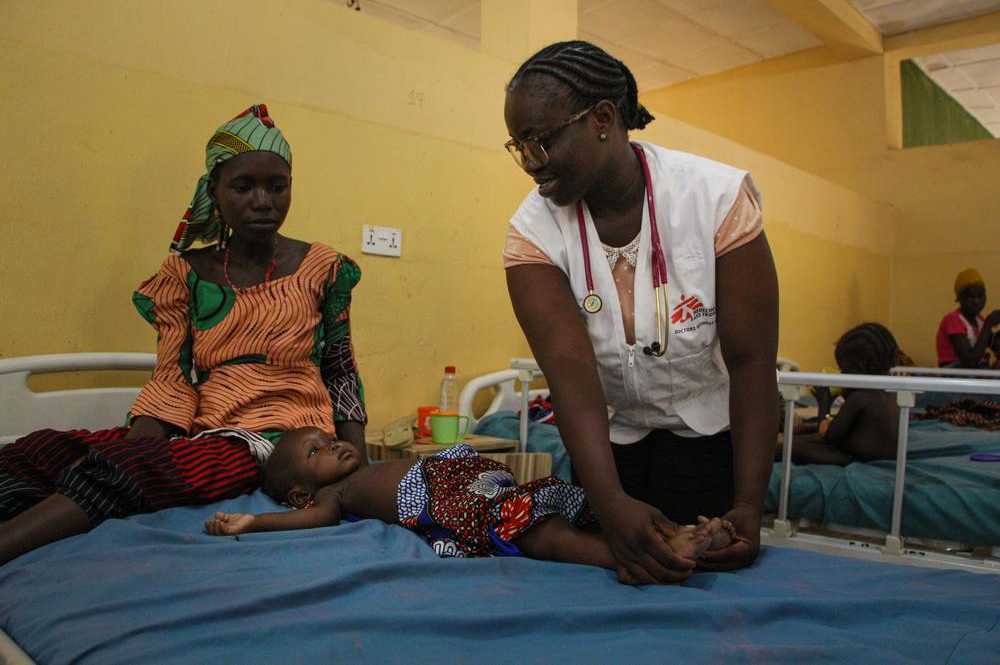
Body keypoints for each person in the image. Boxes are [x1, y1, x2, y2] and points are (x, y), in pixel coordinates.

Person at [0, 105, 367, 565]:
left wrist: (362, 469)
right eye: (243, 186)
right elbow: (172, 377)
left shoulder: (323, 268)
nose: (262, 200)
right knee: (42, 448)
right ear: (214, 189)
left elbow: (340, 370)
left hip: (284, 444)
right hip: (209, 431)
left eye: (277, 186)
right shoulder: (185, 272)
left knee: (123, 469)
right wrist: (134, 446)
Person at [501, 41, 778, 584]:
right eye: (519, 146)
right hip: (606, 449)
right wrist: (608, 503)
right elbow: (571, 378)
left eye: (541, 141)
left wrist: (749, 503)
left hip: (709, 439)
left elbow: (751, 364)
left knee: (703, 586)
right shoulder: (532, 232)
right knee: (613, 591)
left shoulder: (715, 198)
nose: (530, 163)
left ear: (603, 118)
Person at [205, 427, 737, 580]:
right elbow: (312, 521)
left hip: (475, 479)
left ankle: (665, 533)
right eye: (315, 451)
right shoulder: (331, 496)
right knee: (538, 533)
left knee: (570, 503)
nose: (335, 444)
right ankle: (636, 555)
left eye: (327, 436)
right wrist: (251, 523)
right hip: (456, 503)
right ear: (301, 490)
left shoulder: (368, 467)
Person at [777, 323, 899, 466]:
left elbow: (829, 437)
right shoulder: (892, 393)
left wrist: (824, 404)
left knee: (785, 449)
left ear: (857, 369)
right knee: (806, 428)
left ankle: (780, 439)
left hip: (853, 458)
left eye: (842, 369)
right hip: (869, 454)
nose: (840, 374)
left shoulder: (860, 397)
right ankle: (782, 436)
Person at [935, 268, 1000, 368]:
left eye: (980, 296)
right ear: (959, 299)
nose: (976, 301)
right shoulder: (953, 320)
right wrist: (989, 323)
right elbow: (969, 362)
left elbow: (995, 345)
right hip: (956, 373)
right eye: (970, 297)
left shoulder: (979, 320)